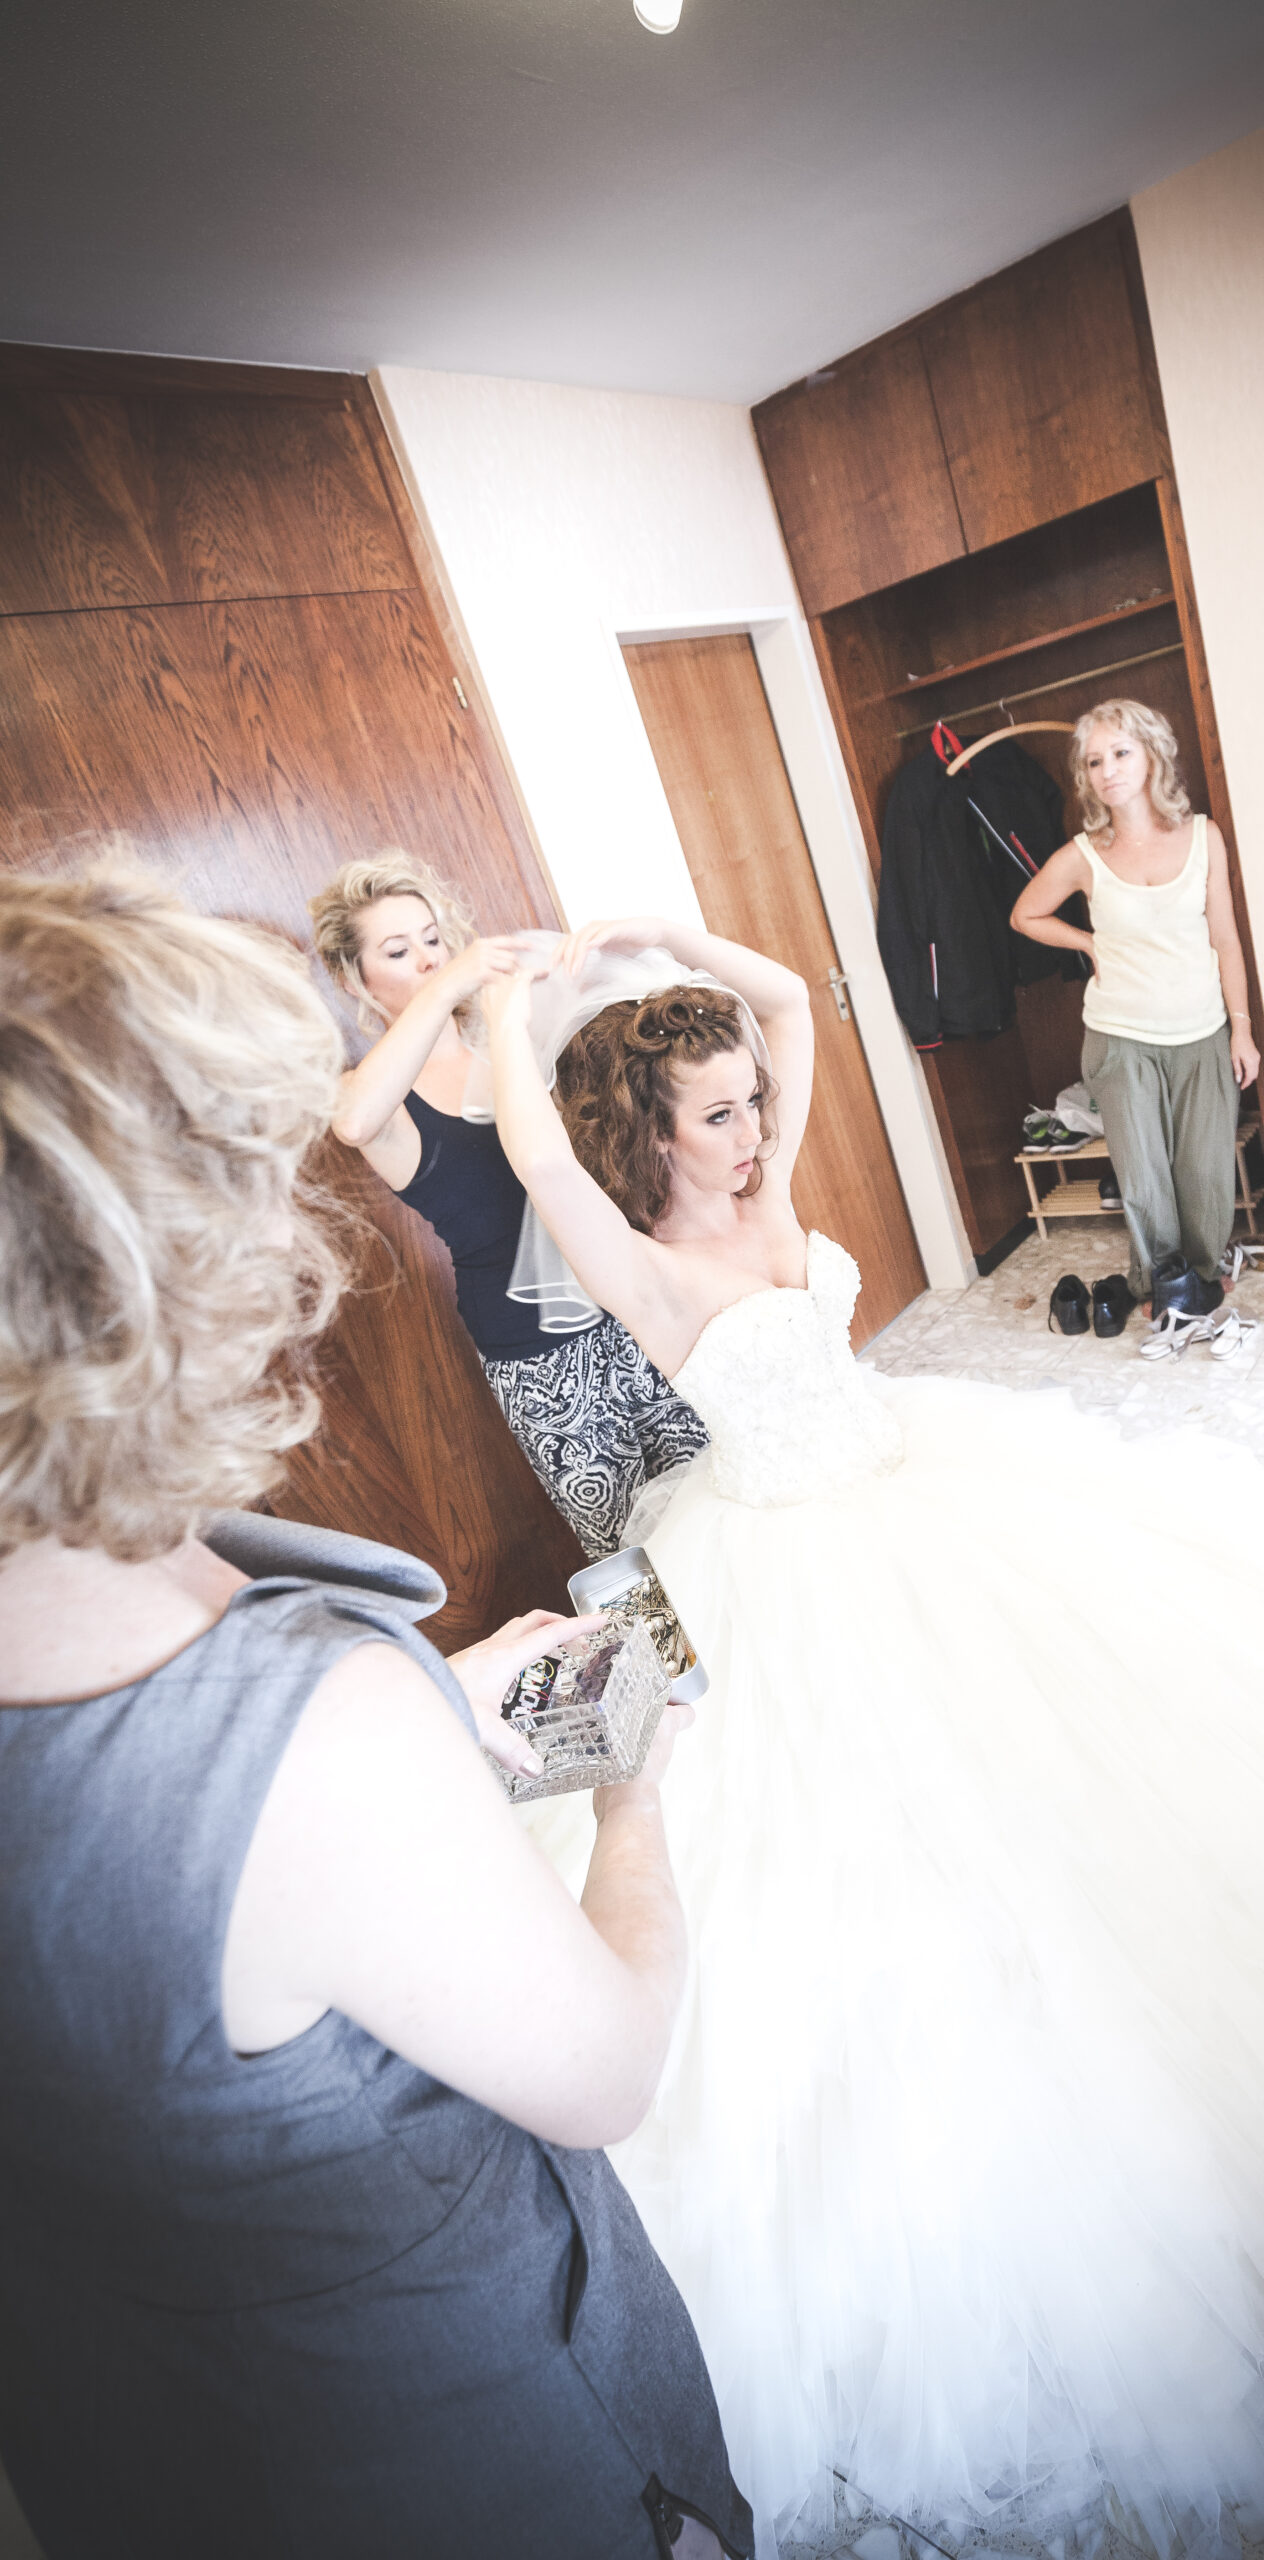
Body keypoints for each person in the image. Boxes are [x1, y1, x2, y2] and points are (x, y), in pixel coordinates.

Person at [483, 909, 1264, 2560]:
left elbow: (792, 1007)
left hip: (921, 1478)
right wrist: (500, 998)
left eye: (749, 1106)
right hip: (781, 1560)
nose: (752, 1131)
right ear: (645, 1136)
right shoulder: (644, 1262)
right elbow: (529, 1140)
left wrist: (678, 942)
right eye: (714, 1115)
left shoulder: (763, 1190)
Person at [0, 864, 752, 2560]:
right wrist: (627, 1790)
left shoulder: (248, 1654)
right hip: (450, 2465)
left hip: (125, 2454)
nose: (294, 1231)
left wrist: (433, 1687)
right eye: (245, 1177)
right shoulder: (316, 1732)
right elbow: (606, 2070)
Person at [310, 855, 708, 1557]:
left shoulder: (516, 1041)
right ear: (353, 980)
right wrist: (448, 986)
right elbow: (352, 1121)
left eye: (434, 939)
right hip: (537, 1355)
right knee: (627, 1554)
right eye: (398, 951)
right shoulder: (376, 1098)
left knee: (718, 1496)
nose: (428, 959)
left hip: (636, 1303)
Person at [1011, 699, 1260, 1318]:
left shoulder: (1203, 836)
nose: (1108, 771)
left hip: (1201, 1031)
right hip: (1119, 1036)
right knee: (1143, 1176)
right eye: (1094, 761)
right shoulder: (1083, 855)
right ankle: (1160, 1287)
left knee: (1204, 1170)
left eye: (1120, 753)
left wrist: (1242, 1029)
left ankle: (1204, 1271)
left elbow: (1226, 938)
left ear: (1151, 756)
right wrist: (1086, 941)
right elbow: (1025, 914)